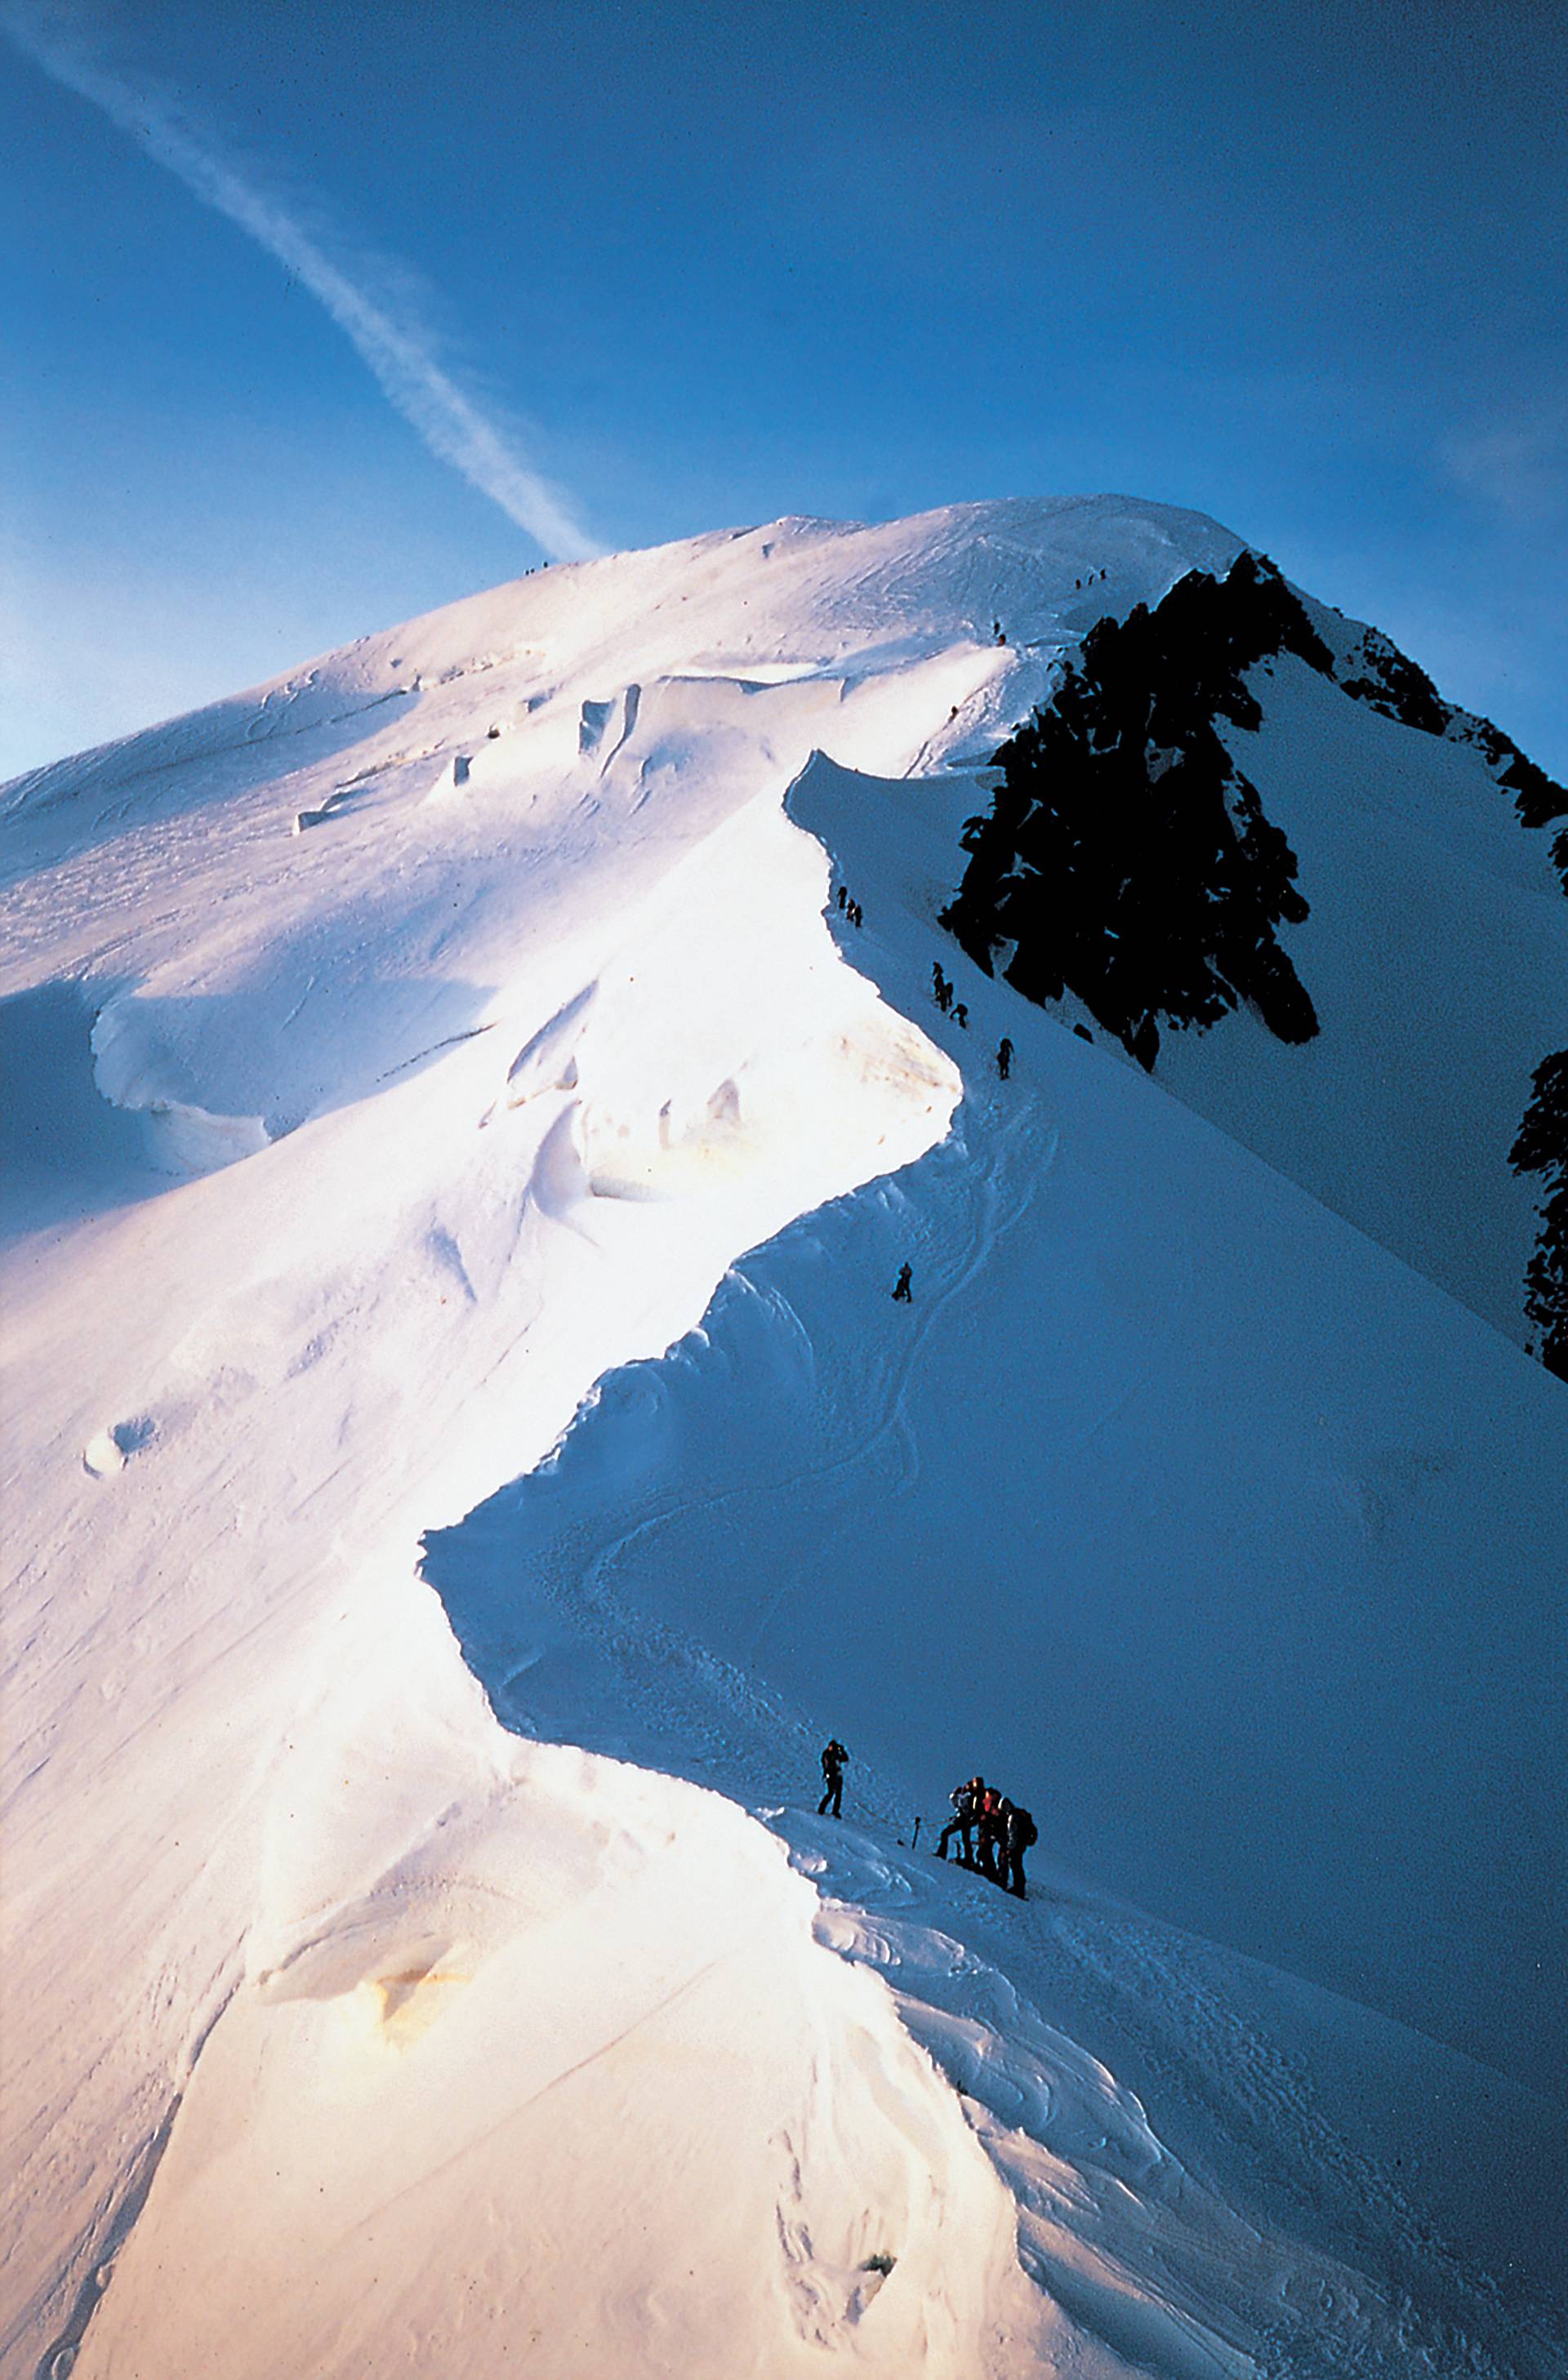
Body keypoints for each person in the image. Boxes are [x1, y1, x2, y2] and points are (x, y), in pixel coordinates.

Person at [936, 1777, 982, 1865]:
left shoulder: (968, 1796)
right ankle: (969, 1858)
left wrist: (956, 1794)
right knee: (965, 1839)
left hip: (963, 1820)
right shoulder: (969, 1796)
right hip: (964, 1820)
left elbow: (959, 1805)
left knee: (947, 1834)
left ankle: (942, 1854)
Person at [1001, 1801, 1038, 1898]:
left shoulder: (1013, 1818)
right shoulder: (1020, 1816)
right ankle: (1019, 1888)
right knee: (1017, 1866)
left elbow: (1013, 1835)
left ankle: (1019, 1889)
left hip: (1016, 1846)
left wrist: (1009, 1848)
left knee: (1016, 1866)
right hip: (1021, 1845)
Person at [973, 1786, 1004, 1880]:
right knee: (984, 1852)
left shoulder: (994, 1809)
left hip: (989, 1835)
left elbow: (995, 1823)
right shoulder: (987, 1807)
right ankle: (988, 1871)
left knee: (986, 1852)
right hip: (986, 1834)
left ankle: (991, 1873)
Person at [818, 1738, 848, 1817]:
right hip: (831, 1776)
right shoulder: (827, 1754)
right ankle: (821, 1809)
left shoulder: (836, 1754)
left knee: (838, 1794)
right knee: (830, 1793)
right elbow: (827, 1764)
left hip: (838, 1776)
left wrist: (842, 1750)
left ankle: (835, 1811)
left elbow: (845, 1758)